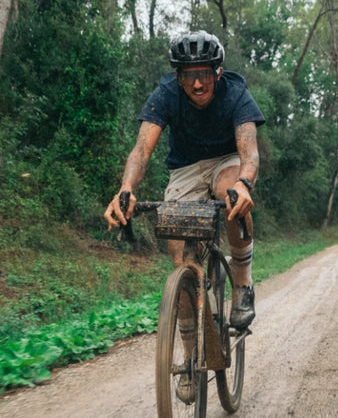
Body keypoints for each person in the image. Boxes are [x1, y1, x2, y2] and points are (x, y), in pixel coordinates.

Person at [104, 30, 263, 330]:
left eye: (204, 74)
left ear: (218, 72)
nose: (198, 83)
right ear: (177, 77)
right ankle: (190, 364)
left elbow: (249, 152)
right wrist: (126, 188)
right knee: (180, 261)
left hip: (226, 162)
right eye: (189, 76)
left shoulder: (236, 92)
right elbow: (141, 150)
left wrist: (244, 183)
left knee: (230, 194)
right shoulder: (165, 93)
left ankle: (243, 282)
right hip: (185, 169)